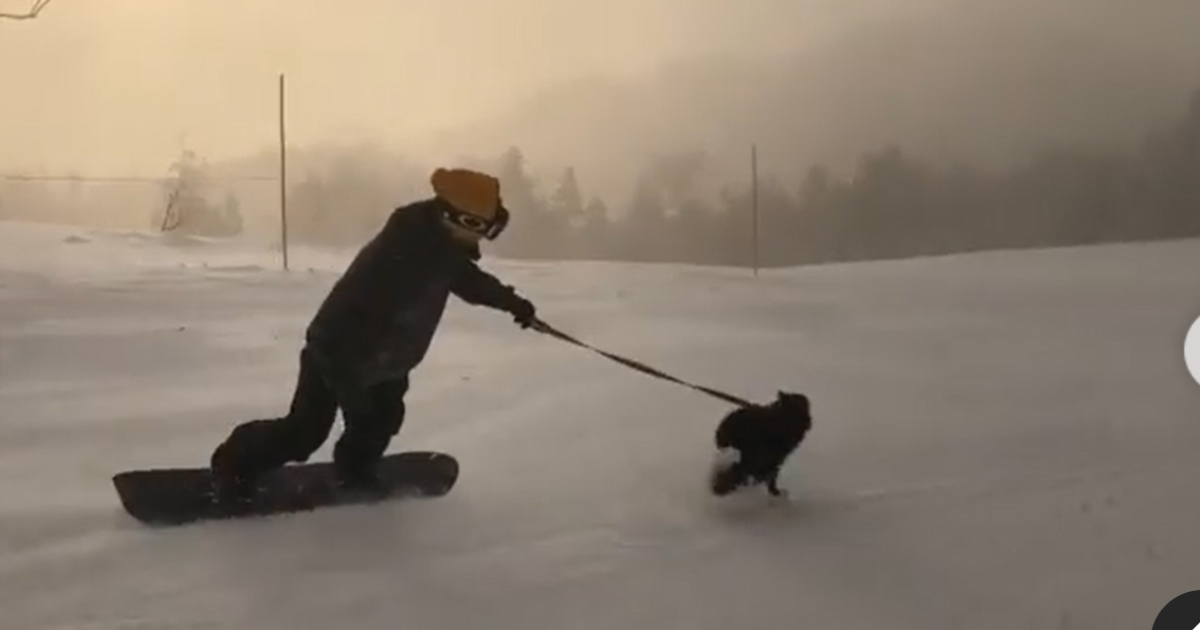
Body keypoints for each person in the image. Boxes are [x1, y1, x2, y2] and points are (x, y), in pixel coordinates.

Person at [209, 167, 538, 503]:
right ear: (453, 217)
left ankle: (355, 471)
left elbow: (469, 281)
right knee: (305, 432)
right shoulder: (398, 256)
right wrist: (349, 387)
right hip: (335, 354)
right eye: (479, 227)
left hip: (389, 360)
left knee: (380, 421)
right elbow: (343, 326)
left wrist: (513, 304)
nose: (483, 237)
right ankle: (234, 464)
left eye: (491, 227)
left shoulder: (442, 249)